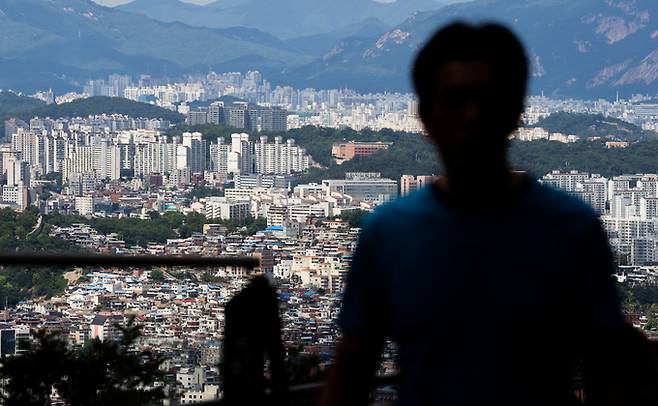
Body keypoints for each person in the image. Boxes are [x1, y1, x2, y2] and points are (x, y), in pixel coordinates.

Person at [320, 22, 657, 406]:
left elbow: (607, 365)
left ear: (516, 112)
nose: (472, 116)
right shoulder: (389, 233)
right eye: (456, 100)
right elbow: (352, 368)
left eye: (488, 99)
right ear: (426, 116)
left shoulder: (570, 229)